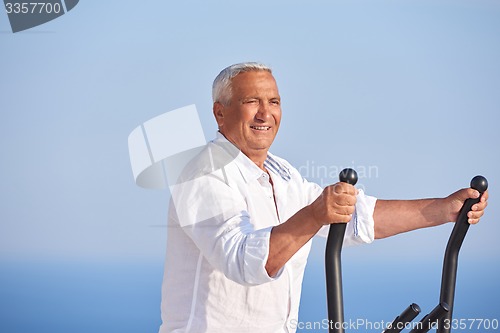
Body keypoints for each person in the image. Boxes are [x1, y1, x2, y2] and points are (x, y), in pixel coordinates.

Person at [158, 62, 488, 333]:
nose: (265, 114)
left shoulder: (282, 172)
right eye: (251, 102)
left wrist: (444, 209)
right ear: (220, 113)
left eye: (274, 102)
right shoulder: (204, 173)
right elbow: (246, 261)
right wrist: (315, 215)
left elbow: (356, 218)